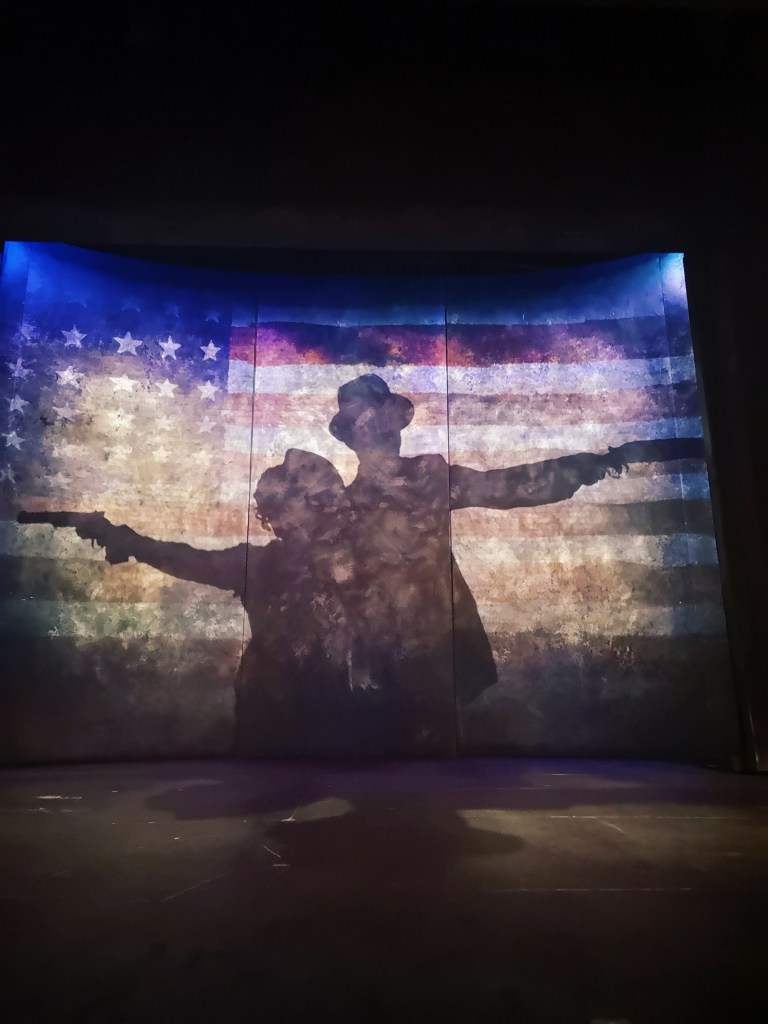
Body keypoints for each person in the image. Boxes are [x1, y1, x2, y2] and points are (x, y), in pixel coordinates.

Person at [328, 374, 628, 755]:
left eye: (381, 421)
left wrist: (585, 467)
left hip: (437, 647)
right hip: (384, 653)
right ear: (354, 436)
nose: (379, 432)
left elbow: (506, 486)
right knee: (389, 760)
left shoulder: (428, 477)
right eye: (366, 424)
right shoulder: (347, 505)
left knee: (435, 757)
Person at [87, 448, 376, 756]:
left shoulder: (353, 565)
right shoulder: (266, 563)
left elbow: (189, 560)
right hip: (279, 712)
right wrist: (128, 541)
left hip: (320, 714)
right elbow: (188, 560)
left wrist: (128, 541)